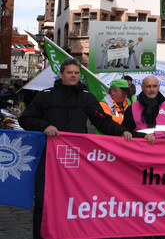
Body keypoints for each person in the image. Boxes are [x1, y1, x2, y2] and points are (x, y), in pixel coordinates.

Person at [18, 58, 132, 239]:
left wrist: (123, 131)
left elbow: (102, 121)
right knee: (43, 200)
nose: (73, 76)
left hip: (74, 160)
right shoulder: (45, 95)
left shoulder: (86, 97)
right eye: (69, 73)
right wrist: (44, 126)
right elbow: (24, 119)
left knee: (72, 201)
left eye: (76, 73)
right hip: (47, 158)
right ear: (61, 74)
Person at [122, 75, 165, 144]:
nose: (152, 89)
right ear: (142, 87)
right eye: (148, 86)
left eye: (154, 86)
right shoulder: (132, 108)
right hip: (141, 149)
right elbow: (126, 132)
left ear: (158, 87)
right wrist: (143, 136)